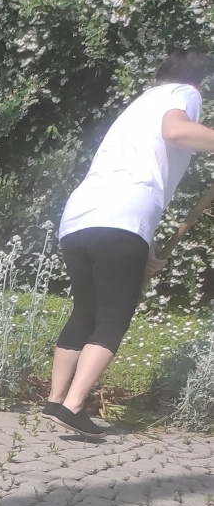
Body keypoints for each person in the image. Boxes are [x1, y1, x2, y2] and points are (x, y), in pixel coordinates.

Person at [47, 51, 214, 436]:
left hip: (79, 216)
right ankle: (73, 406)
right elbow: (176, 133)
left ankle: (54, 400)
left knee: (85, 312)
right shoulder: (184, 93)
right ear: (198, 81)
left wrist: (146, 245)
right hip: (124, 216)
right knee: (113, 318)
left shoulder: (140, 104)